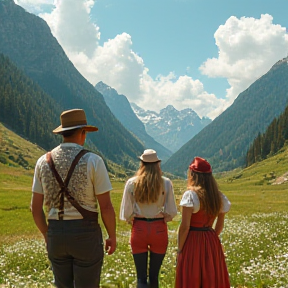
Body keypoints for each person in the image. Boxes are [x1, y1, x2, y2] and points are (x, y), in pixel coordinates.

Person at [31, 108, 116, 288]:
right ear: (83, 133)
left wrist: (47, 234)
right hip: (85, 234)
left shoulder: (42, 162)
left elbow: (35, 207)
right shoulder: (93, 160)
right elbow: (106, 207)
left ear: (62, 133)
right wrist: (112, 235)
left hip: (55, 232)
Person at [120, 149, 177, 288]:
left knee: (141, 277)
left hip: (139, 227)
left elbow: (126, 212)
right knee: (154, 277)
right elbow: (171, 212)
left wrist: (131, 218)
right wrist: (164, 217)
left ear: (142, 164)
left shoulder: (132, 183)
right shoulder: (166, 183)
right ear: (158, 164)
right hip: (159, 229)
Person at [175, 156, 231, 288]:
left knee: (192, 274)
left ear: (193, 175)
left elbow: (185, 227)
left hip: (193, 240)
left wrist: (180, 249)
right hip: (211, 240)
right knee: (211, 274)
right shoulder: (218, 196)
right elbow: (219, 224)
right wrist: (212, 238)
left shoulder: (191, 195)